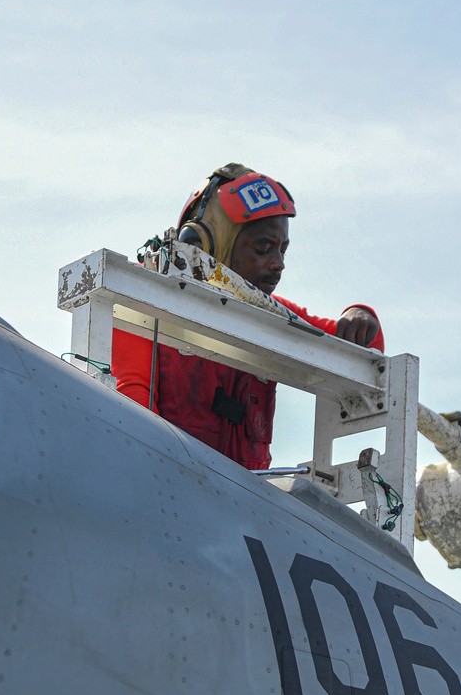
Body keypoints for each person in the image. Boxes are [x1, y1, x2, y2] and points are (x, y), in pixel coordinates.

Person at [111, 164, 383, 469]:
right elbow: (132, 416)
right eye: (263, 247)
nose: (278, 264)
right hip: (169, 486)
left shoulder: (273, 314)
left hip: (245, 506)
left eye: (283, 250)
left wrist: (359, 315)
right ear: (206, 244)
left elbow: (365, 348)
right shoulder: (145, 300)